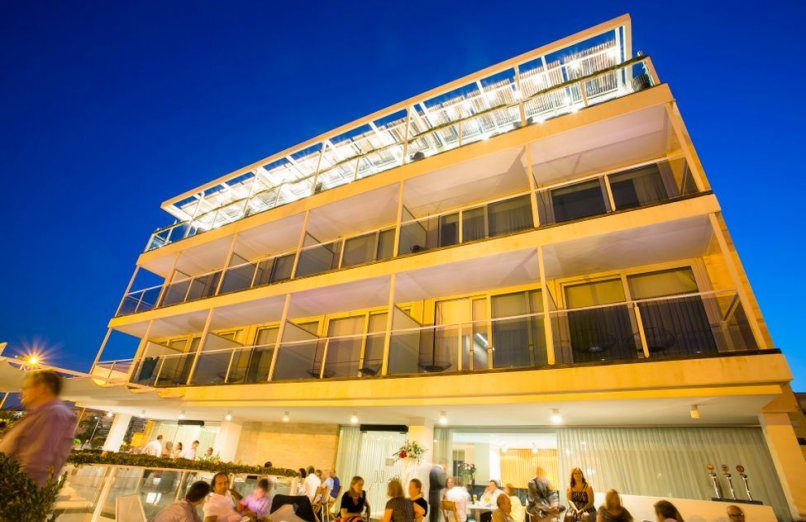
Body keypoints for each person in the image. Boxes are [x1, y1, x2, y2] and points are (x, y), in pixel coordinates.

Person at [0, 370, 77, 486]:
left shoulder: (53, 414)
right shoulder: (42, 414)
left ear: (42, 389)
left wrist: (13, 490)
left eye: (26, 388)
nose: (21, 393)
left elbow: (36, 463)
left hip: (16, 490)